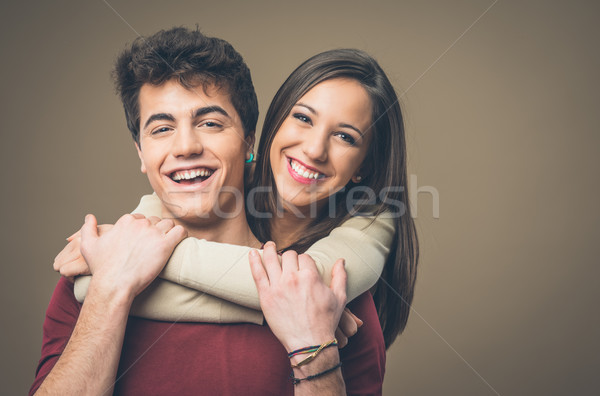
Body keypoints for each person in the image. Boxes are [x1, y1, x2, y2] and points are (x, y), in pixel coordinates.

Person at [31, 27, 394, 395]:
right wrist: (110, 289)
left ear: (250, 140)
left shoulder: (332, 298)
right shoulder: (91, 279)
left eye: (210, 123)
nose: (186, 146)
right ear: (141, 153)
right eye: (161, 128)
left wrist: (315, 350)